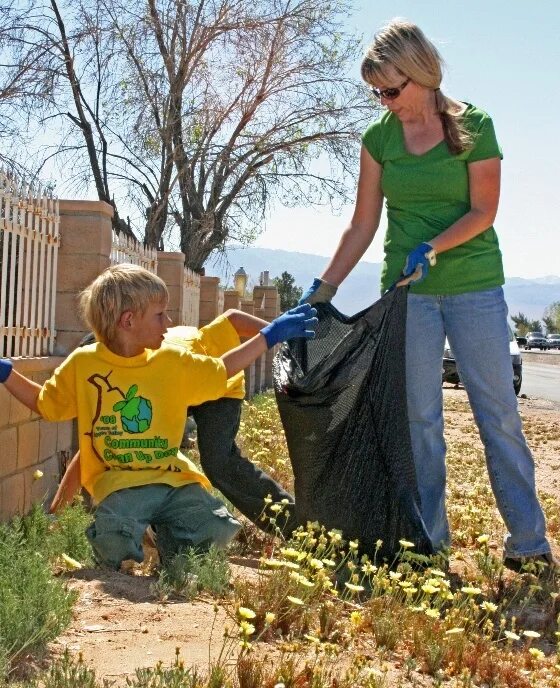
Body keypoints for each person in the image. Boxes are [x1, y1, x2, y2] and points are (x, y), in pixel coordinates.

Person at [300, 19, 555, 571]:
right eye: (377, 93)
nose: (385, 101)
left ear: (421, 74)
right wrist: (323, 290)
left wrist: (433, 246)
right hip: (409, 296)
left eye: (392, 89)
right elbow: (362, 224)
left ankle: (530, 544)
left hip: (473, 288)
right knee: (419, 422)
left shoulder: (474, 126)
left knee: (498, 415)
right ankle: (430, 545)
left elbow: (483, 211)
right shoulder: (379, 140)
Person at [0, 264, 316, 569]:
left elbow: (222, 368)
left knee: (217, 506)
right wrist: (8, 374)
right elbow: (48, 405)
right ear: (128, 322)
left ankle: (174, 544)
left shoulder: (171, 358)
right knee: (113, 542)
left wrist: (271, 335)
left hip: (191, 437)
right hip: (123, 482)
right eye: (160, 315)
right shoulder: (84, 365)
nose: (168, 323)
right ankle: (145, 536)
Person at [50, 313, 297, 534]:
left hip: (220, 385)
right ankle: (170, 530)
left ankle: (293, 525)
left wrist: (283, 336)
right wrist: (55, 517)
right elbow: (92, 450)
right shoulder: (133, 374)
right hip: (176, 389)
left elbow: (232, 320)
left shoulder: (166, 358)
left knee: (219, 463)